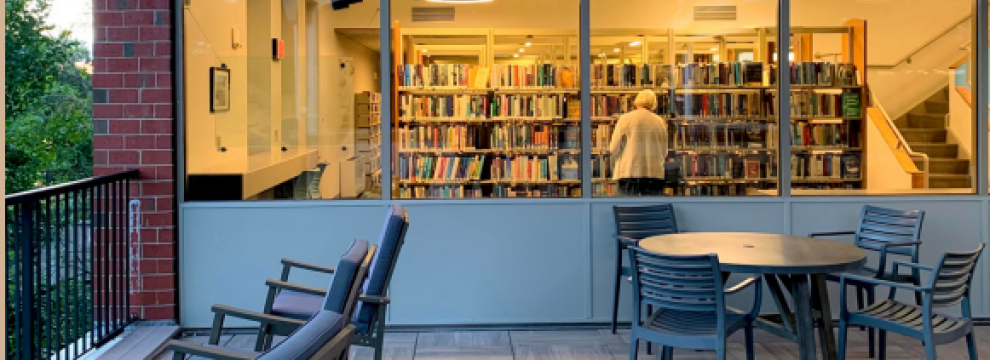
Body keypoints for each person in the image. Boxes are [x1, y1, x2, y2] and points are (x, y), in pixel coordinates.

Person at [609, 89, 669, 196]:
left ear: (637, 102)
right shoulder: (660, 122)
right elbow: (664, 152)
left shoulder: (625, 119)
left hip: (629, 172)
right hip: (654, 174)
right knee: (651, 209)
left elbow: (614, 149)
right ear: (654, 104)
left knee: (628, 209)